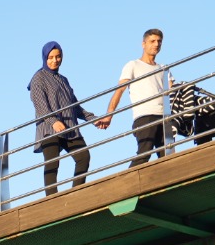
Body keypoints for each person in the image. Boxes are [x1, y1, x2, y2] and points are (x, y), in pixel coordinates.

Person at [29, 41, 108, 197]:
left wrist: (93, 119)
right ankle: (52, 200)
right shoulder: (38, 78)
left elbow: (74, 106)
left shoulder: (63, 80)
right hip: (49, 129)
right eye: (51, 57)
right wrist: (53, 121)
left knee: (83, 157)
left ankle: (76, 194)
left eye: (58, 57)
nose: (54, 60)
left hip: (69, 127)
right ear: (45, 57)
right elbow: (40, 105)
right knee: (52, 164)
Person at [98, 29, 173, 168]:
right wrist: (109, 116)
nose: (156, 44)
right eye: (152, 41)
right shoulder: (133, 65)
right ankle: (124, 183)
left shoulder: (164, 68)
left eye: (159, 41)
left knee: (169, 157)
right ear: (143, 44)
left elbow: (171, 92)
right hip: (145, 115)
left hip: (164, 116)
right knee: (145, 153)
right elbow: (120, 90)